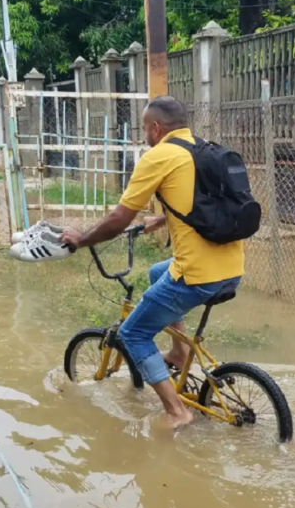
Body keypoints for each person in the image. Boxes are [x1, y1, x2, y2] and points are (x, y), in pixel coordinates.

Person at [60, 96, 244, 429]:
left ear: (156, 128)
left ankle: (177, 412)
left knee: (133, 334)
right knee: (158, 271)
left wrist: (82, 238)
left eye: (144, 128)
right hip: (232, 268)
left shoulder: (158, 156)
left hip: (197, 276)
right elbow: (200, 202)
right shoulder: (203, 150)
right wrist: (160, 220)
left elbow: (118, 218)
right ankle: (178, 352)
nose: (144, 134)